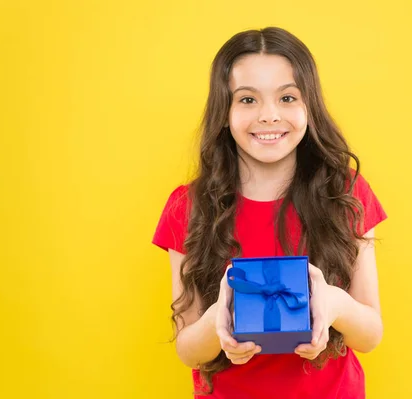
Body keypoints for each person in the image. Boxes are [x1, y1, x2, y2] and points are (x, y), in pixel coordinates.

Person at [152, 26, 387, 399]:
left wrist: (333, 303)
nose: (269, 116)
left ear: (309, 106)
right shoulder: (188, 206)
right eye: (247, 100)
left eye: (287, 97)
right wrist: (219, 319)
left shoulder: (345, 193)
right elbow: (187, 349)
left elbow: (371, 334)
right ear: (224, 111)